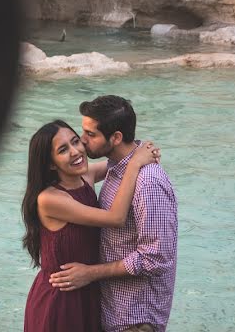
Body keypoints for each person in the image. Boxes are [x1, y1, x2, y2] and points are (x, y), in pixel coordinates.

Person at [48, 96, 178, 332]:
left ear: (116, 137)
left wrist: (91, 273)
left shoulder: (148, 183)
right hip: (112, 311)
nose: (83, 142)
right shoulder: (116, 168)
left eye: (91, 134)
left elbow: (157, 258)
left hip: (135, 319)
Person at [22, 120, 160, 332]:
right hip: (60, 299)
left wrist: (143, 152)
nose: (76, 152)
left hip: (88, 290)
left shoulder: (85, 176)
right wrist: (135, 164)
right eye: (63, 150)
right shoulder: (50, 199)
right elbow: (116, 218)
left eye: (76, 141)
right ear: (50, 164)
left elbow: (117, 160)